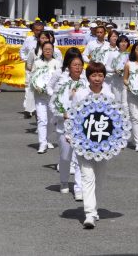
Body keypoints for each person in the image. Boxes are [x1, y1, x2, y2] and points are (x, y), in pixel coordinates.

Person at [72, 61, 115, 229]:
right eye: (94, 75)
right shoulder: (81, 94)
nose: (97, 79)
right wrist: (72, 135)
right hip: (84, 142)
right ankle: (89, 214)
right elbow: (74, 116)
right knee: (87, 177)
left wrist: (117, 141)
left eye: (100, 75)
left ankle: (94, 209)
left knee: (100, 178)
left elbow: (116, 119)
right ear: (88, 77)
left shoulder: (109, 95)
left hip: (103, 144)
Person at [50, 49, 86, 198]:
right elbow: (53, 103)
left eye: (80, 65)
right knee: (65, 157)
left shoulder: (86, 83)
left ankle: (79, 188)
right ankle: (64, 181)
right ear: (69, 67)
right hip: (64, 126)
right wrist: (62, 113)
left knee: (79, 158)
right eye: (74, 65)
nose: (77, 68)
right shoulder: (62, 83)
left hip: (81, 127)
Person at [31, 41, 62, 153]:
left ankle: (47, 139)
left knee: (52, 120)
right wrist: (36, 86)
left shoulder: (57, 63)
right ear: (42, 51)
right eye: (45, 49)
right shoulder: (37, 62)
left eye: (49, 49)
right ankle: (42, 143)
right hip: (40, 95)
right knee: (42, 120)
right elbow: (33, 77)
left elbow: (60, 79)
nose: (47, 51)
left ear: (53, 50)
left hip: (52, 96)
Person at [20, 21, 44, 117]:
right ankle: (28, 109)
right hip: (31, 67)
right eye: (37, 30)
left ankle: (39, 108)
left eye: (41, 30)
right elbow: (22, 51)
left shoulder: (47, 40)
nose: (38, 32)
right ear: (33, 30)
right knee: (29, 88)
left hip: (43, 69)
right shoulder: (29, 39)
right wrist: (27, 60)